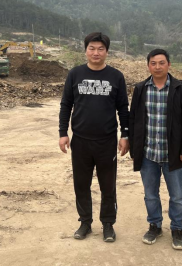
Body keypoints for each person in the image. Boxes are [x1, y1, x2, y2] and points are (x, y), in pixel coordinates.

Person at [58, 32, 130, 243]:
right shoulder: (75, 74)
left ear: (106, 52)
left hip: (106, 141)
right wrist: (63, 133)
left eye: (100, 49)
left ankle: (108, 224)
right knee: (81, 184)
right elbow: (66, 104)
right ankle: (85, 222)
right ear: (86, 50)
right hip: (80, 140)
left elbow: (123, 108)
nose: (96, 53)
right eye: (92, 48)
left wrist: (125, 134)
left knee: (108, 185)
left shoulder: (116, 76)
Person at [129, 49, 182, 250]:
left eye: (161, 63)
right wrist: (134, 149)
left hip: (173, 153)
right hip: (148, 153)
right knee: (150, 194)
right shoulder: (141, 88)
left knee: (177, 196)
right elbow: (133, 120)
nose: (157, 67)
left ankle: (177, 229)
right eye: (153, 63)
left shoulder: (179, 88)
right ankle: (155, 225)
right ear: (148, 65)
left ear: (169, 64)